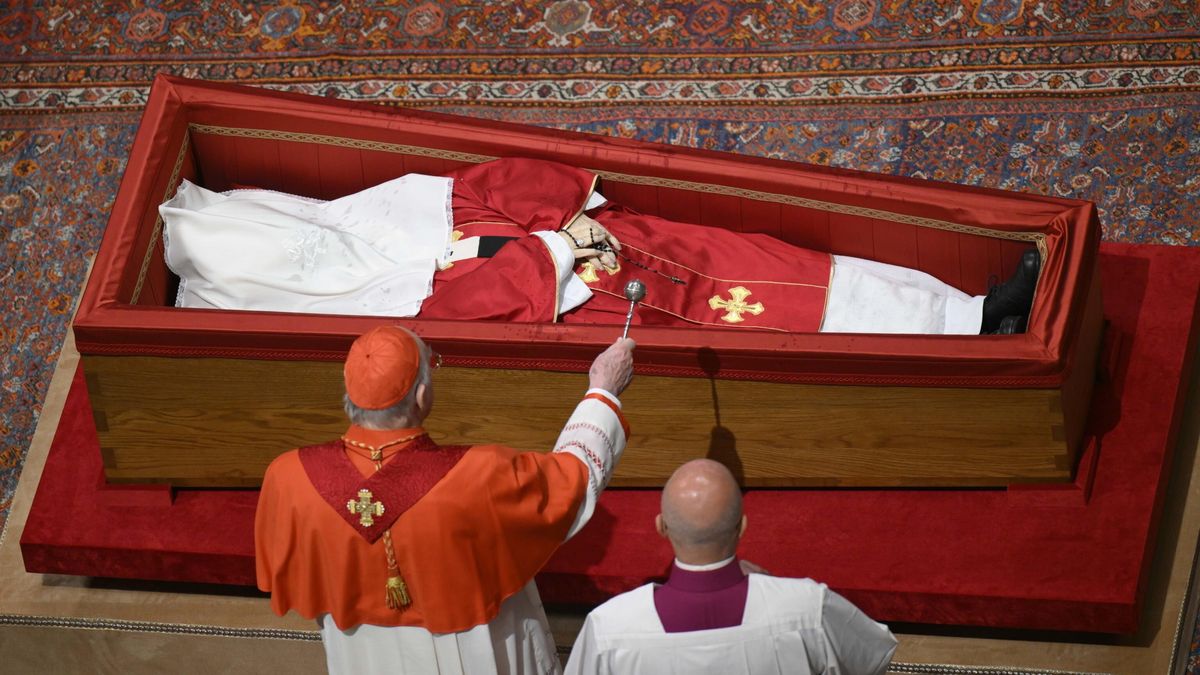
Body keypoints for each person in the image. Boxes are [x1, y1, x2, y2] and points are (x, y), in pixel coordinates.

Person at [161, 157, 1039, 335]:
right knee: (771, 313)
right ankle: (963, 341)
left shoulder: (367, 215)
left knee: (775, 260)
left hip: (609, 243)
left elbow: (484, 185)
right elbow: (458, 312)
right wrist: (552, 253)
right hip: (598, 310)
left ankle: (962, 308)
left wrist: (566, 220)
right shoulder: (359, 314)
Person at [254, 325, 636, 674]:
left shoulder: (286, 477)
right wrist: (602, 391)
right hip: (473, 652)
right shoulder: (480, 475)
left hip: (362, 654)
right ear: (421, 395)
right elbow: (574, 478)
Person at [564, 459, 897, 674]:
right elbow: (874, 656)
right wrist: (772, 589)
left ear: (661, 527)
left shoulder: (610, 628)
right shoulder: (808, 607)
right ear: (743, 526)